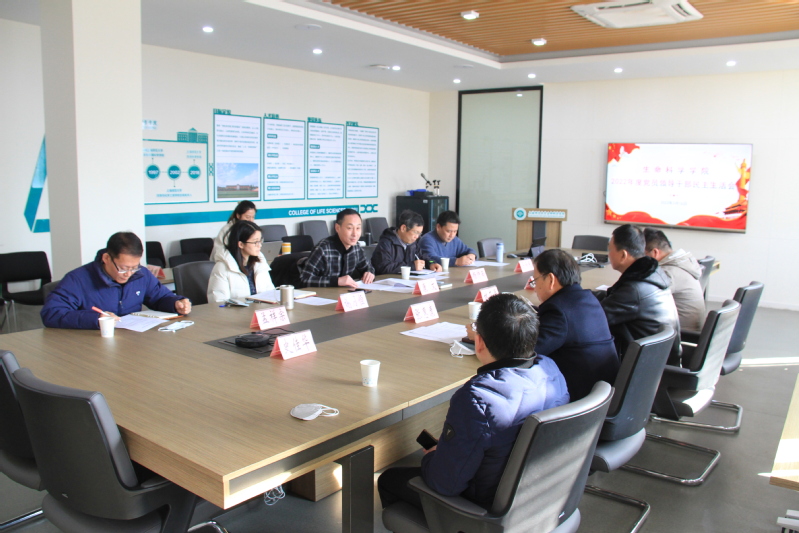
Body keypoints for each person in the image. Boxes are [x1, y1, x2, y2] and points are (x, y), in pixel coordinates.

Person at [377, 293, 569, 511]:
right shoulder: (552, 371)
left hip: (486, 506)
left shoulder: (477, 398)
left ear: (479, 343)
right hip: (540, 492)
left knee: (389, 479)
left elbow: (445, 484)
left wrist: (433, 458)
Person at [41, 232, 191, 329]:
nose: (128, 274)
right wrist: (96, 319)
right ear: (106, 258)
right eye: (123, 268)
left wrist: (176, 303)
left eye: (134, 267)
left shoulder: (142, 275)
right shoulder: (78, 279)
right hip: (90, 344)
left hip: (131, 342)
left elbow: (160, 297)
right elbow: (52, 313)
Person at [532, 249, 619, 401]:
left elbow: (527, 352)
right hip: (603, 392)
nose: (534, 287)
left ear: (551, 280)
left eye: (535, 280)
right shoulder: (587, 299)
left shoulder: (558, 311)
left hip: (582, 399)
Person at [594, 224, 681, 363]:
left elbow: (594, 319)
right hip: (659, 359)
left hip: (644, 365)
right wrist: (582, 295)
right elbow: (612, 296)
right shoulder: (651, 274)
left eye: (610, 249)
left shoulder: (634, 290)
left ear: (623, 255)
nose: (608, 254)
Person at [644, 228, 705, 332]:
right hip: (690, 329)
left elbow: (644, 301)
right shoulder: (683, 264)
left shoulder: (667, 272)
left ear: (654, 252)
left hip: (682, 334)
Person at [300, 208, 375, 288]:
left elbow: (368, 267)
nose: (355, 234)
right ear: (337, 228)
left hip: (345, 293)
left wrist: (369, 273)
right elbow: (304, 279)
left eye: (358, 228)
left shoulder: (356, 247)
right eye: (349, 228)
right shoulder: (323, 249)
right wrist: (336, 281)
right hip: (324, 294)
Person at [207, 220, 275, 302]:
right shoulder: (222, 268)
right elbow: (218, 303)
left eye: (260, 241)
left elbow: (271, 293)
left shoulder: (260, 263)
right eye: (255, 242)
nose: (259, 245)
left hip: (262, 309)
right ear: (241, 244)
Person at [370, 210, 442, 275]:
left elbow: (423, 256)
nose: (417, 237)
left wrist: (431, 263)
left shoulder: (412, 243)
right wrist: (411, 266)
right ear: (403, 228)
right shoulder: (386, 242)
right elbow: (383, 267)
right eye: (415, 232)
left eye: (419, 233)